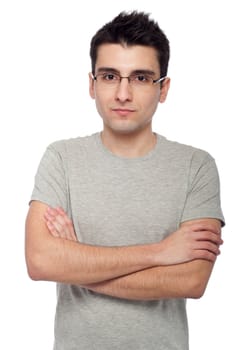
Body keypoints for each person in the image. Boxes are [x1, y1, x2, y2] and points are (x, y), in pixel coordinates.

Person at [25, 11, 225, 350]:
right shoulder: (61, 158)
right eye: (109, 76)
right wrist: (161, 252)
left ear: (164, 89)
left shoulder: (197, 166)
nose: (122, 93)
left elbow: (191, 281)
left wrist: (77, 265)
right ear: (92, 84)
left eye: (141, 78)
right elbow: (41, 261)